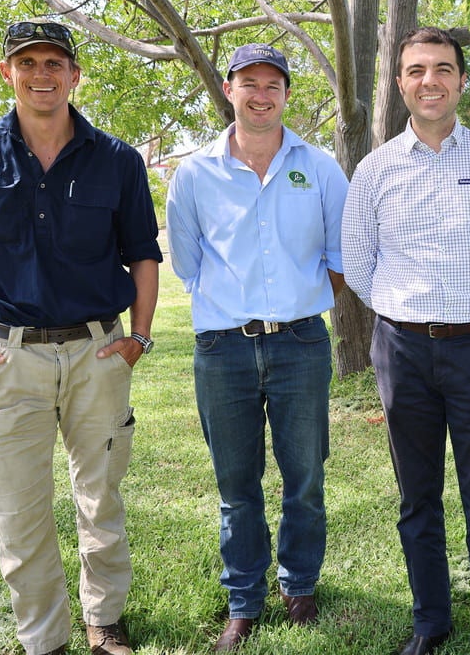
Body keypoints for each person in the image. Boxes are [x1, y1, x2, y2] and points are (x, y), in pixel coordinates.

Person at [0, 19, 161, 655]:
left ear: (74, 75)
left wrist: (138, 338)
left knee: (100, 499)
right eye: (27, 62)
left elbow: (142, 254)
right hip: (9, 357)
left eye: (54, 63)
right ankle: (44, 639)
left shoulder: (118, 161)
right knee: (18, 511)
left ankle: (104, 621)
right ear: (8, 73)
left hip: (97, 353)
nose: (41, 74)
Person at [341, 26, 470, 655]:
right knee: (417, 498)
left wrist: (469, 310)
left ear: (461, 80)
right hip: (402, 352)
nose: (430, 81)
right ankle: (431, 622)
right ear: (401, 83)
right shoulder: (375, 169)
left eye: (443, 69)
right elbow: (358, 264)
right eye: (417, 70)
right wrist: (408, 311)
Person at [166, 43, 348, 651]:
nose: (261, 95)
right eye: (249, 83)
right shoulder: (195, 174)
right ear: (229, 90)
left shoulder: (320, 169)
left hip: (301, 344)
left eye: (273, 84)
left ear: (287, 94)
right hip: (223, 349)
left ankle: (299, 585)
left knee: (305, 477)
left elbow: (340, 257)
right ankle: (244, 599)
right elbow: (187, 263)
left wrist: (296, 305)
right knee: (236, 484)